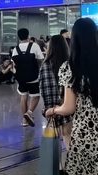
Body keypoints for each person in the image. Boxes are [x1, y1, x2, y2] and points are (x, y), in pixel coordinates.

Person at [45, 18, 98, 174]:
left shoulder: (69, 67)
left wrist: (53, 110)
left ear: (75, 39)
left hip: (83, 136)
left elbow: (69, 108)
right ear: (96, 36)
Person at [39, 35, 72, 174]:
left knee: (55, 136)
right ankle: (74, 163)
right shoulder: (69, 64)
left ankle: (59, 167)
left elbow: (42, 87)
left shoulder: (45, 65)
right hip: (67, 105)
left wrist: (48, 107)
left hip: (51, 107)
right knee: (68, 134)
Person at [12, 28, 44, 127]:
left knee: (23, 97)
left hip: (21, 78)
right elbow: (41, 60)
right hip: (33, 77)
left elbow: (14, 63)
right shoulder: (34, 46)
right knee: (36, 96)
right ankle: (29, 113)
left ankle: (24, 121)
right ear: (28, 35)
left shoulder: (15, 49)